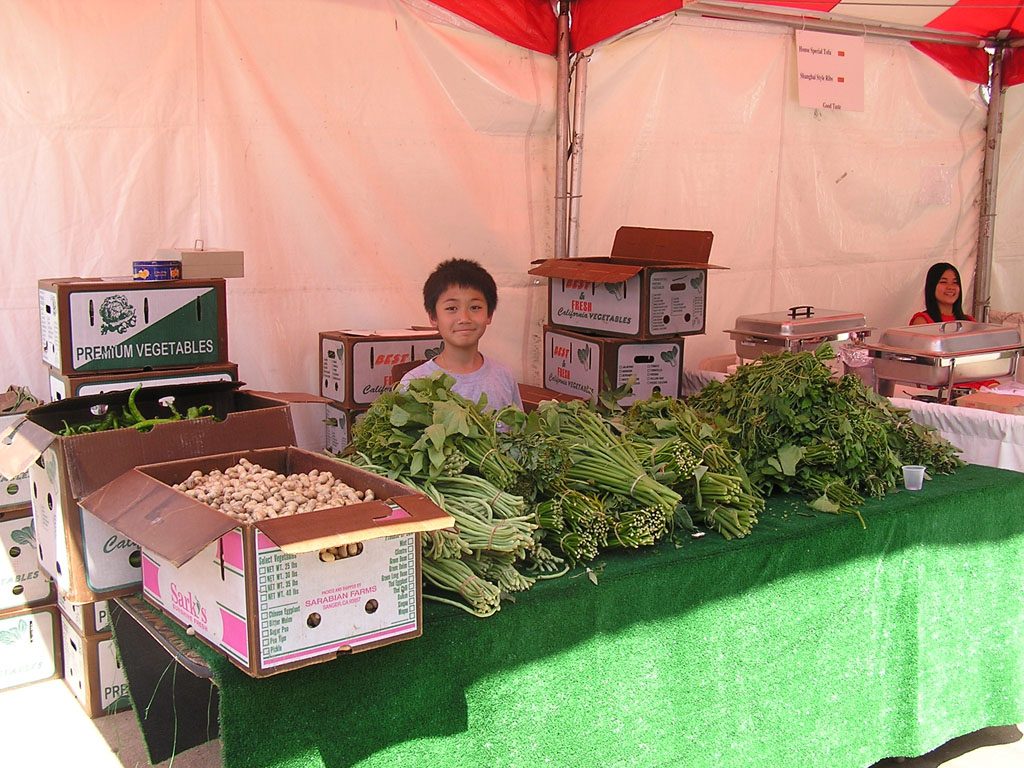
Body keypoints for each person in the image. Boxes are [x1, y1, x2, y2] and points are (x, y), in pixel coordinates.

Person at [400, 258, 523, 412]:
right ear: (433, 316)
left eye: (475, 307)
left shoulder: (504, 377)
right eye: (452, 308)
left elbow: (518, 433)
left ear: (489, 315)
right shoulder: (414, 383)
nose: (464, 318)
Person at [909, 262, 974, 325]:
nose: (951, 287)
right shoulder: (922, 321)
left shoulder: (969, 322)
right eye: (943, 282)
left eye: (955, 282)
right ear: (932, 287)